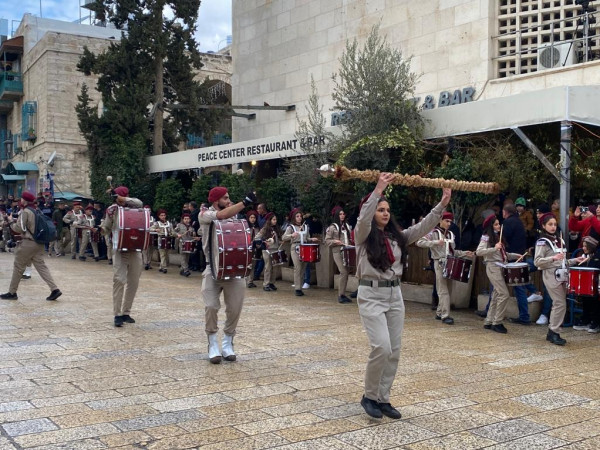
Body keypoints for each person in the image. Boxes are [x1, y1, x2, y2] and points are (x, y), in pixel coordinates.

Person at [355, 173, 450, 420]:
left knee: (394, 350)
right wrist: (378, 190)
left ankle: (382, 398)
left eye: (387, 210)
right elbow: (363, 218)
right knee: (381, 346)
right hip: (371, 294)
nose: (385, 213)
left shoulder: (397, 237)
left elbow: (422, 228)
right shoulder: (362, 235)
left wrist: (442, 205)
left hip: (394, 295)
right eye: (380, 210)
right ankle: (369, 396)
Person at [199, 186, 256, 364]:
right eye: (225, 198)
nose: (229, 201)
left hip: (234, 270)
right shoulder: (204, 214)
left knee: (235, 308)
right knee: (211, 306)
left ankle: (228, 342)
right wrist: (245, 202)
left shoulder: (235, 218)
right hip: (212, 269)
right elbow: (221, 215)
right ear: (216, 201)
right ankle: (212, 343)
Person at [0, 191, 62, 301]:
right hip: (39, 242)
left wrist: (10, 222)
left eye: (21, 199)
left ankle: (12, 292)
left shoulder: (25, 211)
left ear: (24, 200)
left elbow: (19, 228)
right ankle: (54, 289)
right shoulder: (36, 210)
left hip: (28, 243)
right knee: (41, 267)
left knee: (18, 267)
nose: (20, 201)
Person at [534, 212, 583, 345]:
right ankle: (553, 332)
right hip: (550, 274)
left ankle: (552, 332)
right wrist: (553, 258)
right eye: (550, 224)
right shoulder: (542, 242)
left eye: (555, 224)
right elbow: (537, 261)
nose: (553, 227)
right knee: (560, 303)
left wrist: (574, 260)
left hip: (562, 274)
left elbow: (562, 262)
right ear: (543, 226)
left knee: (559, 304)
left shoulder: (560, 240)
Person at [417, 211, 474, 324]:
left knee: (449, 290)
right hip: (439, 262)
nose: (449, 224)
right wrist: (435, 242)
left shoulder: (451, 234)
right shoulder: (433, 232)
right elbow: (419, 242)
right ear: (440, 220)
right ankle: (445, 315)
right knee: (443, 290)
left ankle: (439, 312)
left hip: (450, 263)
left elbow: (453, 251)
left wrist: (464, 253)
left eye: (450, 222)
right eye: (447, 221)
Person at [101, 186, 144, 327]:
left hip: (135, 249)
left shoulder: (135, 207)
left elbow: (139, 202)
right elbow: (107, 227)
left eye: (120, 197)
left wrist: (123, 198)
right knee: (119, 280)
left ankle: (126, 312)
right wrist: (101, 229)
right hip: (119, 249)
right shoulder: (112, 210)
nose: (118, 200)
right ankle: (117, 314)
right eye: (117, 197)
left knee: (134, 281)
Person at [476, 214, 522, 333]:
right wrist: (494, 248)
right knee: (504, 294)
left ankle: (489, 321)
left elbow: (502, 255)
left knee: (496, 295)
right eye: (496, 224)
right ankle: (497, 322)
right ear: (491, 226)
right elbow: (479, 251)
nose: (499, 226)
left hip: (500, 267)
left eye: (498, 224)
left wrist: (514, 255)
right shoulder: (486, 237)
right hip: (493, 267)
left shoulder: (497, 237)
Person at [502, 204, 531, 325]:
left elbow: (503, 240)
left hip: (511, 258)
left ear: (505, 212)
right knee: (520, 287)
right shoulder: (519, 222)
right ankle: (524, 316)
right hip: (520, 256)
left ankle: (524, 317)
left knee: (498, 285)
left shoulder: (508, 223)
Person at [282, 208, 319, 296]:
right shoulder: (291, 227)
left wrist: (311, 239)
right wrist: (292, 235)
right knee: (297, 268)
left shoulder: (305, 226)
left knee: (303, 268)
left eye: (300, 216)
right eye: (297, 216)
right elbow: (283, 237)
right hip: (295, 247)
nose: (299, 218)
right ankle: (297, 288)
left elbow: (307, 238)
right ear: (294, 218)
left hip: (305, 248)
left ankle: (300, 286)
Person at [572, 236, 600, 333]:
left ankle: (595, 322)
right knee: (585, 299)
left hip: (596, 283)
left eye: (585, 246)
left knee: (595, 302)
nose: (583, 248)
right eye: (583, 246)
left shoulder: (597, 255)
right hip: (587, 284)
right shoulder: (585, 256)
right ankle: (586, 319)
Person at [325, 206, 353, 304]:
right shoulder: (332, 227)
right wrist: (335, 241)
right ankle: (341, 295)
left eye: (343, 214)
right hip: (337, 251)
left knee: (346, 272)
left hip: (346, 251)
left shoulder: (346, 226)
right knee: (343, 272)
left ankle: (343, 294)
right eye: (340, 214)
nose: (342, 216)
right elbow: (327, 241)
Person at [255, 212, 282, 292]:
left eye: (276, 219)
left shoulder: (276, 229)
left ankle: (271, 283)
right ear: (269, 220)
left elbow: (278, 240)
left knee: (275, 267)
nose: (275, 221)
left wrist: (280, 242)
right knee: (268, 267)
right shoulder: (264, 229)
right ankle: (266, 284)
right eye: (273, 219)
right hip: (267, 250)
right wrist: (264, 241)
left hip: (275, 249)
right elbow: (257, 237)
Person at [174, 213, 198, 277]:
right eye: (185, 219)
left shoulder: (191, 227)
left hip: (189, 243)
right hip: (182, 242)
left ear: (190, 219)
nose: (187, 220)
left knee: (187, 257)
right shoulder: (179, 225)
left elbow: (193, 235)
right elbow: (174, 231)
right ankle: (185, 270)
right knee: (183, 256)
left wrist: (194, 236)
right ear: (183, 219)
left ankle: (182, 269)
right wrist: (178, 235)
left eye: (188, 219)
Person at [151, 209, 174, 273]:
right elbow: (150, 228)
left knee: (166, 254)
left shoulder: (169, 223)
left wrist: (175, 234)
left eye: (164, 215)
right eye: (161, 215)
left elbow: (172, 231)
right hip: (161, 239)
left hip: (168, 239)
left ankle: (161, 266)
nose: (163, 216)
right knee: (162, 254)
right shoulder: (157, 223)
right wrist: (155, 230)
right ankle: (164, 267)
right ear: (159, 216)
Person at [245, 210, 262, 288]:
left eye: (254, 217)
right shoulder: (246, 227)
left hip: (255, 248)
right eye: (251, 217)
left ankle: (250, 281)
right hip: (247, 247)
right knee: (248, 264)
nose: (253, 219)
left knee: (253, 264)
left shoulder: (258, 228)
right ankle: (246, 280)